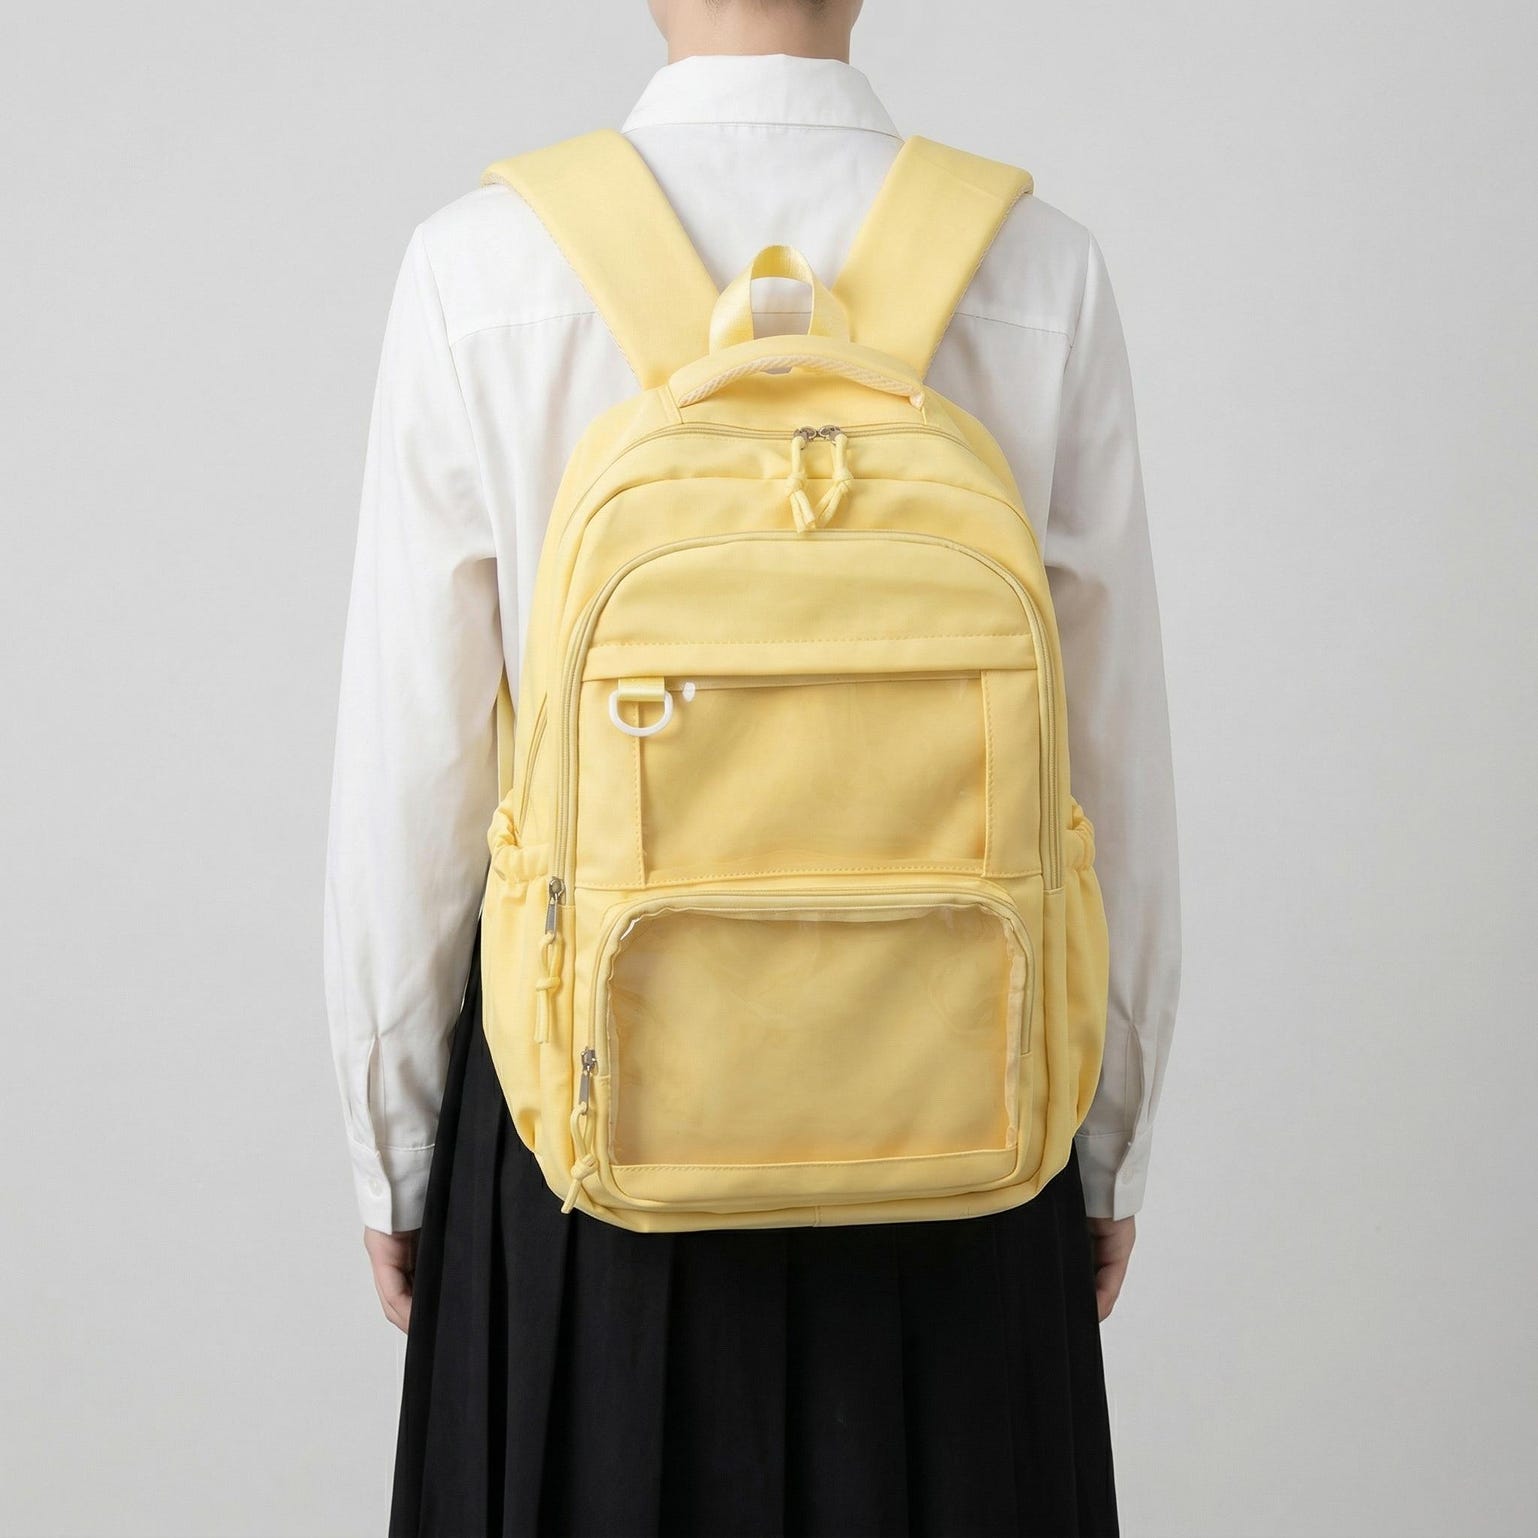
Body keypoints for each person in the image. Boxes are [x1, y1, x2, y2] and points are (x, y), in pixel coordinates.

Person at [324, 1, 1181, 1532]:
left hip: (588, 1141)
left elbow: (415, 777)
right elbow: (1109, 769)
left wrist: (398, 1153)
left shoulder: (479, 268)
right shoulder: (1038, 272)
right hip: (966, 1122)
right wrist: (1100, 1128)